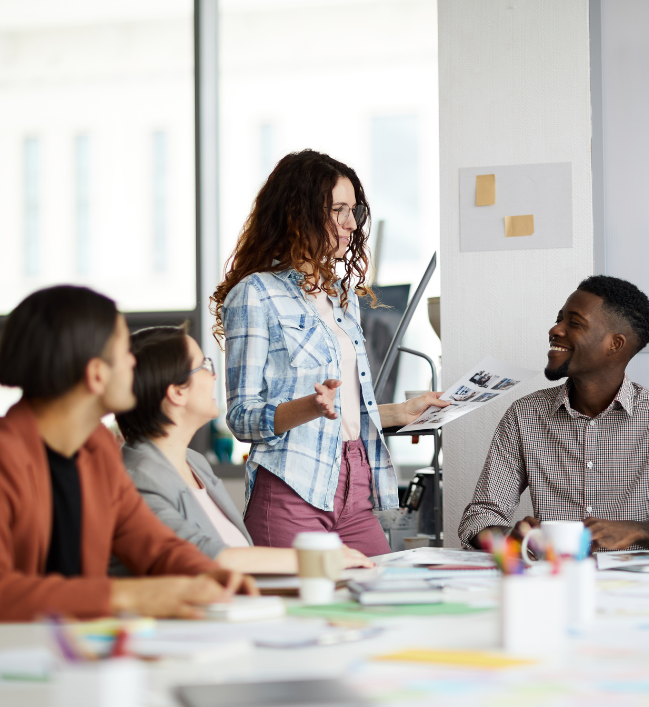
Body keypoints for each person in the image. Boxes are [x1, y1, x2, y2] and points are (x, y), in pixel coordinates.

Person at [212, 150, 447, 555]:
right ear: (297, 213)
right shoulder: (255, 294)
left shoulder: (342, 298)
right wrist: (308, 407)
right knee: (305, 598)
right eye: (339, 210)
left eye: (354, 211)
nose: (351, 224)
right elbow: (241, 418)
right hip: (292, 487)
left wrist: (400, 413)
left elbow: (342, 411)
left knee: (380, 587)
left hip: (356, 484)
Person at [0, 286, 256, 622]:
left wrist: (208, 573)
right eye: (124, 353)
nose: (134, 363)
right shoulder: (7, 457)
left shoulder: (98, 448)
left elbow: (149, 540)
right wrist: (127, 595)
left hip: (82, 643)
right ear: (96, 374)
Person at [458, 275, 649, 550]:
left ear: (615, 344)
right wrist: (511, 537)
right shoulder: (524, 415)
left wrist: (639, 532)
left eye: (574, 323)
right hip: (554, 572)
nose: (555, 329)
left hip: (639, 577)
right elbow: (480, 518)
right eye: (559, 319)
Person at [116, 325, 374, 573]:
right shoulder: (137, 480)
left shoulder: (193, 463)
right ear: (176, 392)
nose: (213, 375)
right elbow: (197, 556)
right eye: (204, 366)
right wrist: (315, 559)